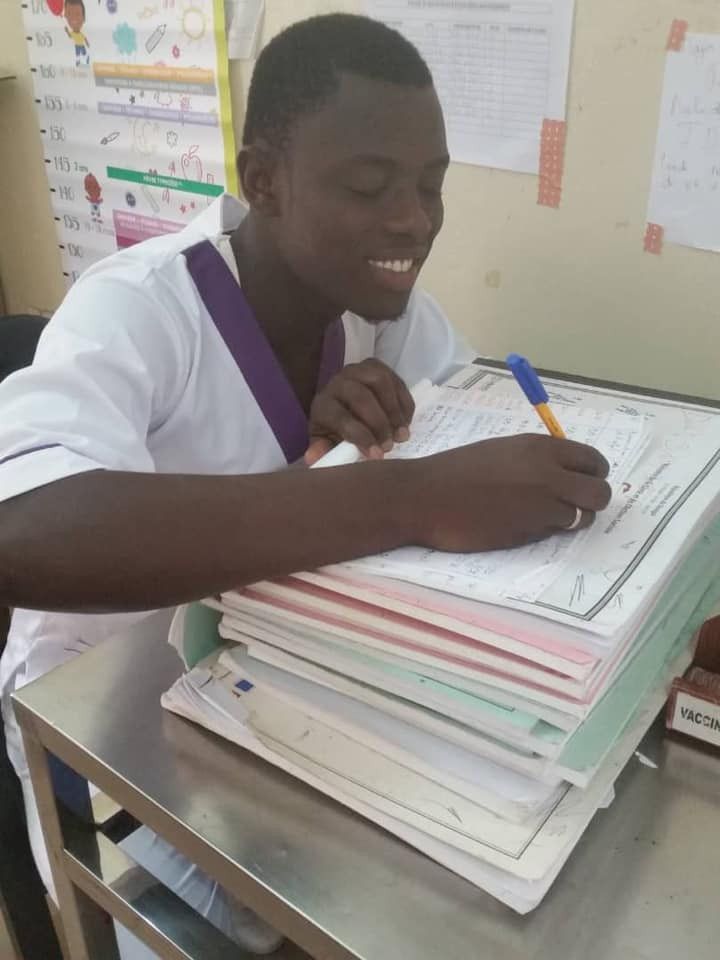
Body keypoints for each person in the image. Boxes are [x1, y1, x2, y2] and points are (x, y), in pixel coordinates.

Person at [0, 13, 611, 957]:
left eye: (431, 184)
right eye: (369, 186)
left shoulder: (387, 316)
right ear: (265, 181)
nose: (414, 219)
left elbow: (467, 448)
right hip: (113, 735)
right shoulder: (136, 310)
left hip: (283, 697)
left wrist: (347, 458)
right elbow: (27, 531)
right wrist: (401, 495)